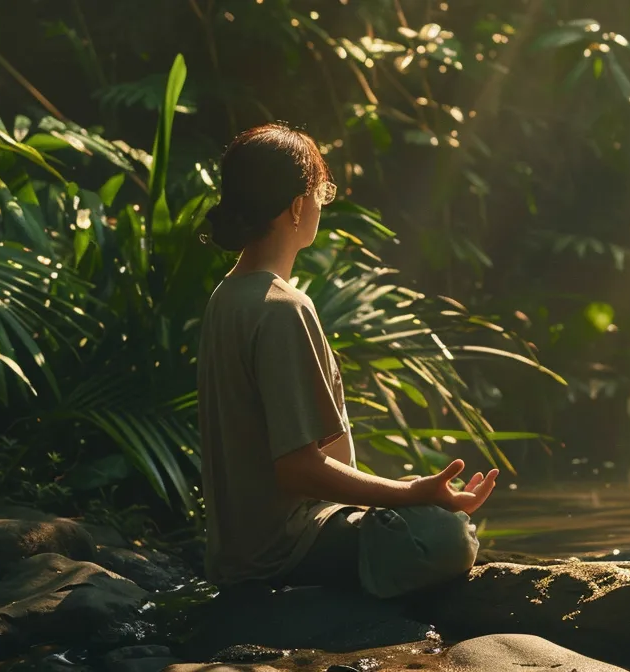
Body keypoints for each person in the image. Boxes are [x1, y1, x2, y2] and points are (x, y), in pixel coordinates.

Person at [195, 123, 495, 596]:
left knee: (429, 514)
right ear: (296, 205)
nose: (321, 204)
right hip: (287, 551)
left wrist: (407, 491)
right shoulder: (282, 307)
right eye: (322, 192)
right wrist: (414, 495)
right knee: (446, 535)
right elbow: (297, 470)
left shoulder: (225, 296)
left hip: (238, 552)